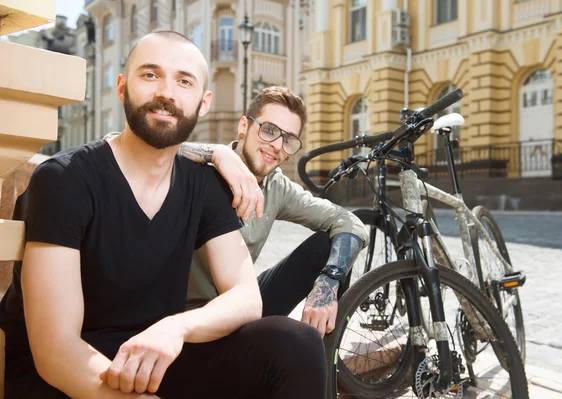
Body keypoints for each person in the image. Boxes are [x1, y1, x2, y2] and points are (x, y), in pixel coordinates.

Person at [0, 31, 325, 399]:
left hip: (154, 358)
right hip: (66, 377)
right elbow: (55, 351)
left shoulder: (204, 184)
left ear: (203, 104)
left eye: (183, 81)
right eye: (150, 75)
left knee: (295, 343)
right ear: (122, 88)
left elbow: (246, 298)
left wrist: (176, 328)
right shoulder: (64, 179)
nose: (167, 93)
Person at [181, 86, 369, 337]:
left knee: (327, 247)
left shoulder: (276, 187)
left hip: (242, 308)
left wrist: (329, 281)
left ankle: (328, 359)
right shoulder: (200, 169)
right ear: (244, 126)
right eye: (269, 130)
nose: (276, 146)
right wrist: (217, 153)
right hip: (183, 318)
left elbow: (349, 221)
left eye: (288, 139)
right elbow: (124, 147)